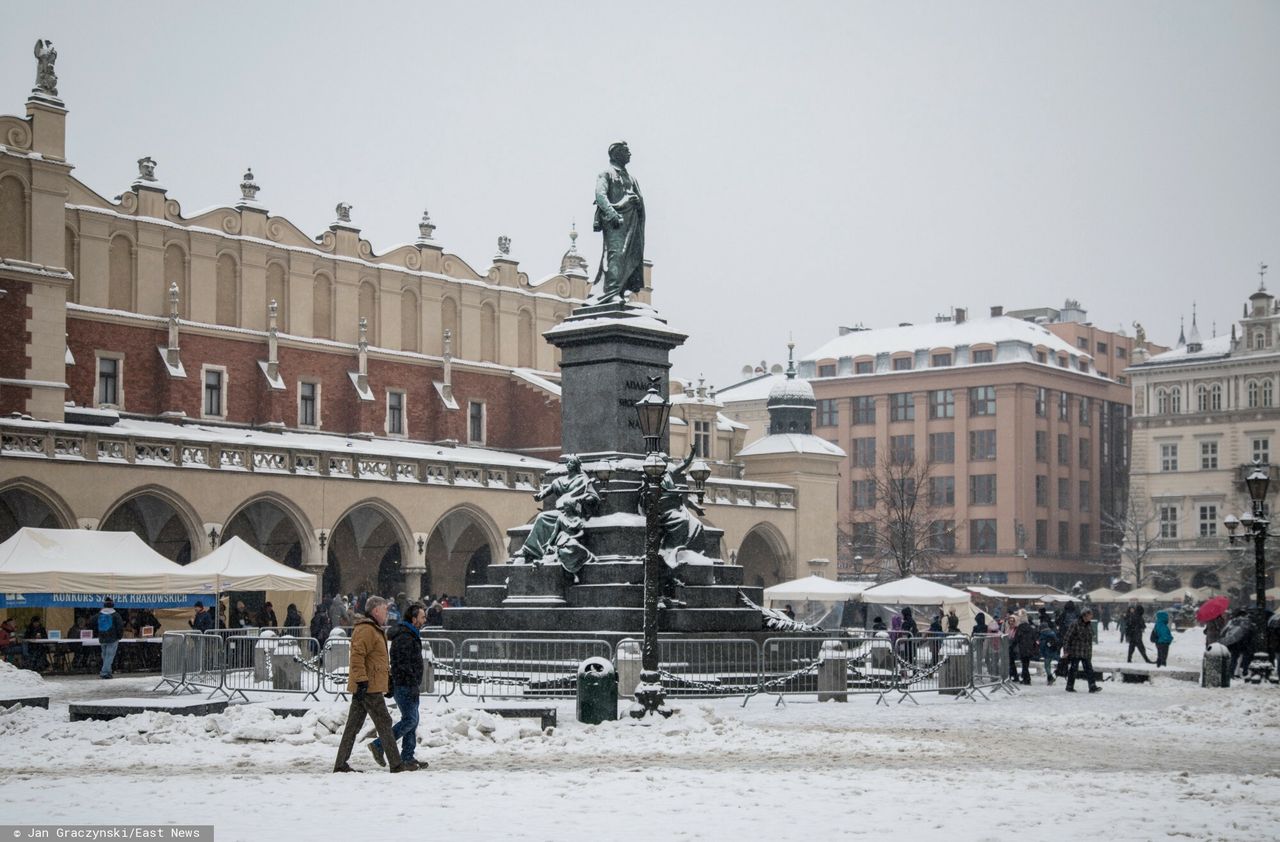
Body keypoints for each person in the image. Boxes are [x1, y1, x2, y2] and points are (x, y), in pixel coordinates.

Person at [332, 596, 405, 774]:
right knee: (384, 723)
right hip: (368, 686)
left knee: (353, 726)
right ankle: (396, 764)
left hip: (368, 684)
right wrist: (362, 680)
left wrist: (386, 681)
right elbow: (357, 656)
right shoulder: (366, 629)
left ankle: (341, 764)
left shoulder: (372, 629)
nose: (387, 613)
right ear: (375, 610)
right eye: (385, 609)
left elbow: (376, 660)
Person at [370, 603, 428, 772]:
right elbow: (402, 664)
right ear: (414, 618)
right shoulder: (405, 637)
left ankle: (408, 757)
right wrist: (411, 683)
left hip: (408, 684)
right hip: (404, 685)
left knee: (412, 720)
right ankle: (379, 745)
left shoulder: (409, 634)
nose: (425, 620)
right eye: (422, 617)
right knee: (410, 720)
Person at [593, 141, 645, 302]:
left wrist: (637, 202)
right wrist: (612, 214)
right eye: (626, 151)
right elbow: (600, 196)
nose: (630, 154)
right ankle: (611, 292)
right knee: (616, 255)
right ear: (616, 154)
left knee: (630, 256)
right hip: (617, 222)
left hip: (632, 222)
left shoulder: (631, 178)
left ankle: (621, 291)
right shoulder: (606, 173)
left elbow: (639, 199)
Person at [1062, 608, 1101, 693]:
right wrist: (1066, 651)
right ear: (1084, 615)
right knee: (1073, 669)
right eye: (1089, 615)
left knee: (1089, 670)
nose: (1091, 616)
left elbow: (1090, 639)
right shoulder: (1075, 624)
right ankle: (1069, 686)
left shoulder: (1089, 625)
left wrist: (1090, 653)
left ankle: (1092, 686)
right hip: (1075, 651)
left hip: (1086, 652)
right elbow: (1067, 638)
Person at [1220, 610, 1255, 678]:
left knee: (1234, 659)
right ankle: (1244, 672)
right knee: (1245, 659)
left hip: (1234, 644)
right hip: (1244, 643)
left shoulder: (1233, 622)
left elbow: (1227, 631)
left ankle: (1231, 672)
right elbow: (1250, 633)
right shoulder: (1247, 623)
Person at [96, 597, 124, 679]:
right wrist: (119, 636)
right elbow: (120, 626)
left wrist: (97, 633)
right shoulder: (116, 615)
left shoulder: (100, 614)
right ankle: (104, 672)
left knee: (105, 655)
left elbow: (92, 622)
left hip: (102, 637)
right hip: (112, 638)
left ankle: (108, 672)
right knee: (109, 656)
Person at [1014, 614, 1038, 685]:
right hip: (1029, 648)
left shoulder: (1019, 628)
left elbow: (1016, 638)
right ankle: (1025, 678)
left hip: (1022, 648)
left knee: (1024, 664)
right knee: (1026, 664)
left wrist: (1013, 645)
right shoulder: (1030, 628)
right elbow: (1034, 638)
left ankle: (1027, 679)